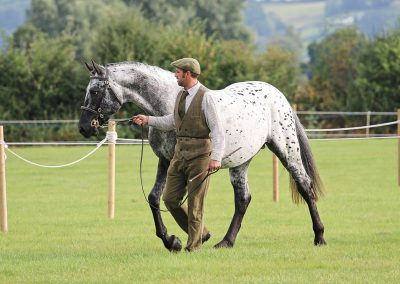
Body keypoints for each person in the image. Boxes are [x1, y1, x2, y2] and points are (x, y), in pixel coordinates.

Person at [132, 58, 225, 252]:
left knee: (195, 204)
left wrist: (216, 157)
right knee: (169, 199)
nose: (175, 74)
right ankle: (202, 232)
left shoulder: (206, 97)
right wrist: (147, 120)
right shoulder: (180, 95)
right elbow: (171, 122)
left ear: (188, 74)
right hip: (180, 154)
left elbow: (218, 130)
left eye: (178, 72)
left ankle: (193, 247)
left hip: (200, 156)